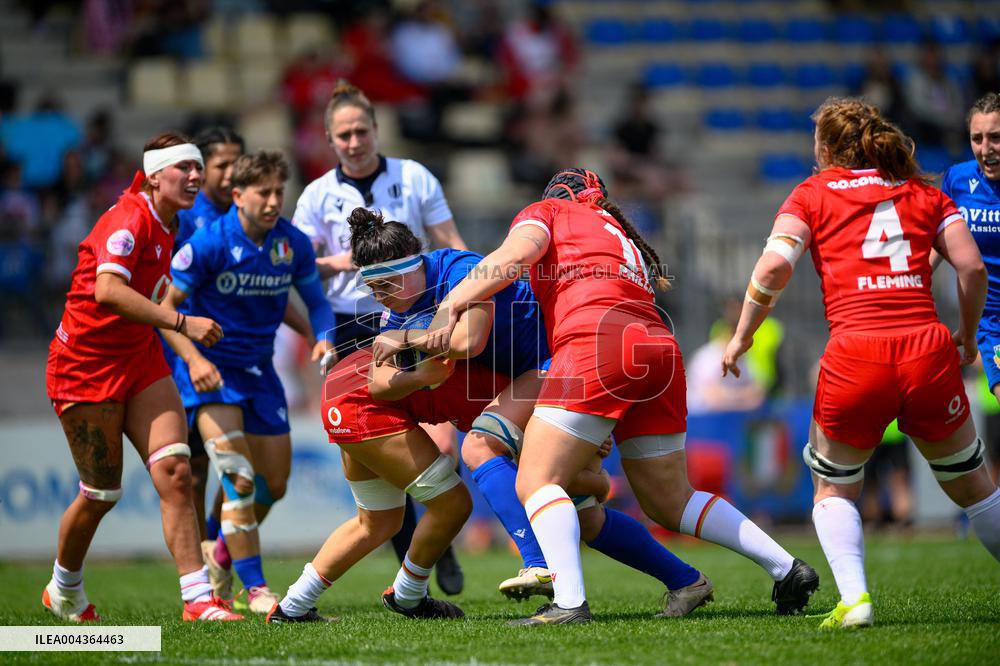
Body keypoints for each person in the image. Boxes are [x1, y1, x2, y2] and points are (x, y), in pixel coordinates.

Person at [421, 168, 818, 625]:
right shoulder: (620, 234)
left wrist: (450, 305)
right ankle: (786, 567)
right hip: (658, 347)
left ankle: (568, 604)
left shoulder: (548, 211)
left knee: (535, 480)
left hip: (598, 343)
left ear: (556, 195)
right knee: (671, 500)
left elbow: (511, 258)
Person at [723, 97, 1000, 629]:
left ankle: (856, 600)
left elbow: (776, 265)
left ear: (827, 147)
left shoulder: (811, 193)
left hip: (857, 353)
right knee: (975, 488)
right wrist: (965, 332)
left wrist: (742, 335)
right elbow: (970, 267)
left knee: (834, 487)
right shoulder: (924, 191)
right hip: (926, 348)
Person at [354, 207, 712, 613]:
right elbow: (376, 383)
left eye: (387, 283)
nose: (380, 296)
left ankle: (539, 564)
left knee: (479, 447)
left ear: (416, 265)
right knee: (584, 513)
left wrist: (405, 340)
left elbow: (469, 341)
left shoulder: (461, 269)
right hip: (536, 376)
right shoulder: (396, 310)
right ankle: (687, 581)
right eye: (373, 288)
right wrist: (416, 368)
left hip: (562, 363)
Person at [268, 346, 712, 622]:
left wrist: (595, 481)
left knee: (377, 522)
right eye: (601, 442)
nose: (601, 446)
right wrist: (596, 481)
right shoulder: (540, 388)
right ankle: (408, 596)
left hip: (345, 388)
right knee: (455, 505)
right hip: (366, 399)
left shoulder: (534, 378)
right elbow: (543, 475)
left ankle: (292, 606)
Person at [43, 131, 240, 622]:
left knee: (176, 474)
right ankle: (63, 589)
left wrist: (189, 351)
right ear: (155, 176)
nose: (194, 176)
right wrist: (181, 322)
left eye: (198, 167)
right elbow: (109, 291)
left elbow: (153, 292)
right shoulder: (127, 220)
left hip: (139, 362)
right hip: (84, 369)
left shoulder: (170, 222)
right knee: (102, 494)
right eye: (184, 168)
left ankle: (198, 600)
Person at [292, 79, 468, 593]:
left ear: (375, 129)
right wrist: (340, 273)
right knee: (380, 454)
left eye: (361, 130)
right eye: (343, 134)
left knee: (439, 443)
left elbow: (448, 240)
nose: (353, 141)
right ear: (330, 140)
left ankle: (436, 540)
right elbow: (305, 273)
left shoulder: (414, 177)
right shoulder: (316, 195)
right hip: (352, 326)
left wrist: (474, 282)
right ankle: (420, 567)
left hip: (417, 317)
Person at [160, 150, 336, 614]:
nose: (275, 200)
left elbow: (316, 302)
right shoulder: (209, 243)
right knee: (237, 478)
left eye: (280, 191)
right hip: (212, 374)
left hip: (261, 374)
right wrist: (194, 359)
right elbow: (164, 311)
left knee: (272, 484)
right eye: (264, 192)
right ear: (238, 196)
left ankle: (220, 554)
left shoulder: (291, 243)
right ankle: (256, 589)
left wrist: (322, 338)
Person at [942, 92, 1000, 479]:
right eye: (977, 139)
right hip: (993, 323)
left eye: (995, 137)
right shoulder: (957, 180)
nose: (986, 148)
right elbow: (936, 241)